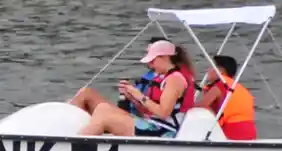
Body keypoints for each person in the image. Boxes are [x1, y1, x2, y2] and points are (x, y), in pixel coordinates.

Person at [68, 39, 197, 137]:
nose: (151, 65)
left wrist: (138, 95)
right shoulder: (167, 76)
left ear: (165, 58)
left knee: (104, 118)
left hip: (162, 130)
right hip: (152, 122)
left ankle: (74, 144)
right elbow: (150, 109)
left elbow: (163, 113)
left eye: (153, 61)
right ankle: (75, 135)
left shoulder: (175, 79)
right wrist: (132, 97)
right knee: (103, 108)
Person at [195, 54, 257, 140]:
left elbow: (201, 107)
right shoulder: (237, 87)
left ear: (221, 71)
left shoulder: (218, 87)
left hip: (232, 131)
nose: (208, 70)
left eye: (212, 67)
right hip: (250, 131)